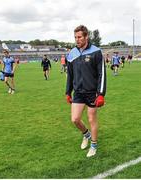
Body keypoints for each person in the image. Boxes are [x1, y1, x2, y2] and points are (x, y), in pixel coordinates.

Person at [66, 25, 106, 157]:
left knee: (91, 118)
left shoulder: (96, 51)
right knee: (75, 119)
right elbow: (70, 75)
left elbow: (102, 74)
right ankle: (86, 135)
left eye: (79, 37)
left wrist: (100, 94)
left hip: (92, 92)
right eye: (75, 37)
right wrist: (68, 92)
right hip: (78, 92)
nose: (77, 40)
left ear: (86, 36)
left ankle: (93, 145)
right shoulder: (72, 53)